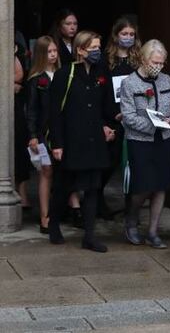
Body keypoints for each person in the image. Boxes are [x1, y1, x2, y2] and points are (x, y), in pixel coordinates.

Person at [48, 30, 116, 252]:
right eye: (92, 48)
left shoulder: (101, 73)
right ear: (80, 50)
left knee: (93, 188)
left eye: (98, 47)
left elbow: (107, 107)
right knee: (64, 187)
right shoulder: (65, 74)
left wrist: (109, 125)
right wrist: (57, 143)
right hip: (71, 141)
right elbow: (54, 113)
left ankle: (89, 236)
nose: (97, 52)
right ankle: (54, 223)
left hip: (94, 141)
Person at [119, 39, 170, 249]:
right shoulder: (130, 83)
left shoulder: (166, 80)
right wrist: (154, 126)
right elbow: (127, 117)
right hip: (140, 140)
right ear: (144, 59)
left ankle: (153, 231)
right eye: (155, 62)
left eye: (162, 63)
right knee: (144, 185)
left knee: (161, 185)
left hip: (164, 140)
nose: (159, 66)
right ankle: (131, 219)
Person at [100, 16, 142, 220]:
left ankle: (131, 208)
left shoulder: (138, 60)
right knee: (109, 162)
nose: (128, 38)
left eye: (131, 34)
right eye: (124, 34)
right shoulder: (105, 60)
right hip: (112, 120)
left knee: (133, 164)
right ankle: (97, 200)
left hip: (134, 120)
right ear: (116, 35)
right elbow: (101, 92)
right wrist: (110, 115)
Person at [25, 36, 61, 233]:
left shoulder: (63, 75)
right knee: (46, 172)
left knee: (63, 171)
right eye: (49, 52)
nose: (53, 55)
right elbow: (31, 110)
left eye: (55, 51)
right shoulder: (36, 80)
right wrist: (32, 135)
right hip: (42, 132)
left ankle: (64, 210)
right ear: (41, 54)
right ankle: (44, 216)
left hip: (62, 131)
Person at [13, 33, 31, 210]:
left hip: (17, 108)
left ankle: (23, 193)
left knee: (20, 147)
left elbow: (19, 76)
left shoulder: (16, 39)